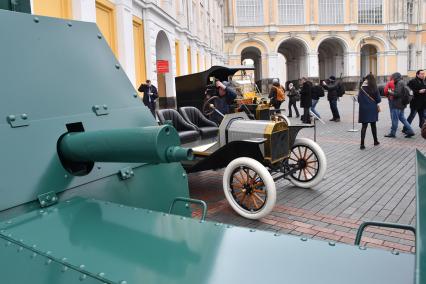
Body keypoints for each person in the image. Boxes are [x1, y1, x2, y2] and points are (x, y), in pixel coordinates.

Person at [384, 72, 415, 138]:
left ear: (396, 77)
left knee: (395, 119)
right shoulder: (402, 82)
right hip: (401, 104)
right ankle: (410, 131)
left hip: (397, 104)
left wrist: (390, 91)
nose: (392, 78)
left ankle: (392, 133)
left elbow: (397, 94)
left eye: (393, 77)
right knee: (403, 118)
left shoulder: (399, 83)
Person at [357, 74, 381, 150]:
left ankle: (362, 144)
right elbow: (378, 99)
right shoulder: (374, 87)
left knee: (364, 126)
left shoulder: (362, 88)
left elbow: (358, 99)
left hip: (363, 109)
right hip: (372, 108)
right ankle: (375, 141)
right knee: (373, 125)